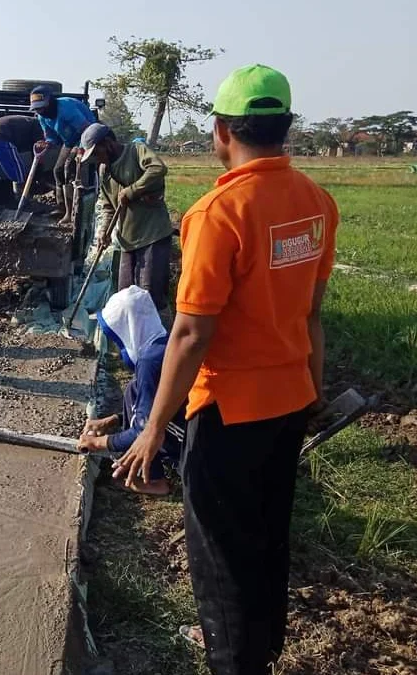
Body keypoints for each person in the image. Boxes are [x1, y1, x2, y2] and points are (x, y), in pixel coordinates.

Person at [112, 65, 338, 675]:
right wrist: (314, 388)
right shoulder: (316, 202)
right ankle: (261, 647)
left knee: (219, 555)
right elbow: (312, 314)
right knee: (267, 535)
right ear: (285, 128)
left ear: (220, 131)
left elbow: (190, 331)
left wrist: (155, 429)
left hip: (229, 413)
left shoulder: (219, 212)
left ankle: (235, 662)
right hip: (291, 400)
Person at [76, 286, 185, 496]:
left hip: (188, 443)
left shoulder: (148, 363)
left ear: (128, 329)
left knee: (134, 392)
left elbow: (145, 430)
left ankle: (152, 480)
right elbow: (157, 404)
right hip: (188, 428)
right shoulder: (164, 344)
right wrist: (113, 420)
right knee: (133, 390)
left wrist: (97, 443)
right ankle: (142, 465)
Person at [81, 123, 174, 314]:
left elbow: (157, 169)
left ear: (107, 144)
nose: (97, 159)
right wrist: (104, 231)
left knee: (148, 298)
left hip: (152, 235)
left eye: (97, 153)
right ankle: (128, 341)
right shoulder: (104, 170)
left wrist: (131, 191)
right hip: (127, 239)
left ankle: (156, 340)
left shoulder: (135, 151)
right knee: (125, 297)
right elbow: (107, 204)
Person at [29, 85, 96, 224]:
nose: (40, 111)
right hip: (69, 140)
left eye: (42, 107)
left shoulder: (66, 108)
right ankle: (61, 207)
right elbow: (52, 137)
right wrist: (47, 143)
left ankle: (72, 213)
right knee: (58, 170)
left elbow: (86, 129)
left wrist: (80, 148)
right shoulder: (42, 117)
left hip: (86, 135)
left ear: (50, 102)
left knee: (69, 168)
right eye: (37, 109)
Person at [0, 114, 43, 202]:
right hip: (0, 133)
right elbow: (39, 148)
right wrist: (39, 169)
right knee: (16, 168)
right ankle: (22, 199)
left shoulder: (27, 121)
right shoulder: (39, 124)